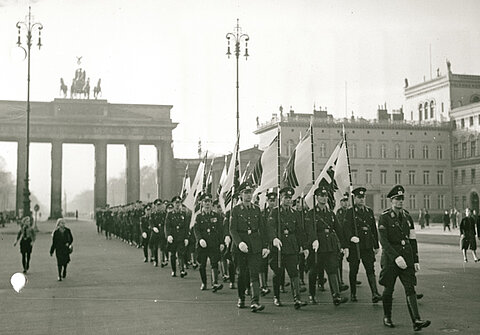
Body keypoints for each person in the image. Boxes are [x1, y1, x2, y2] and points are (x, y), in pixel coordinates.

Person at [378, 185, 430, 331]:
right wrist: (395, 257)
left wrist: (415, 259)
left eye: (402, 199)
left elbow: (412, 239)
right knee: (389, 289)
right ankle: (387, 317)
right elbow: (384, 242)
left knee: (410, 288)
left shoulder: (407, 217)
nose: (400, 201)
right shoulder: (385, 217)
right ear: (391, 201)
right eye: (397, 199)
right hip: (391, 259)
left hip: (406, 257)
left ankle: (416, 320)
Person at [306, 180, 349, 306]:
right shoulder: (311, 213)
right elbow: (310, 229)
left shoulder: (330, 213)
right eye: (321, 196)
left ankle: (336, 296)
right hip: (317, 246)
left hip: (330, 246)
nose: (324, 198)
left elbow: (338, 229)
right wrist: (314, 240)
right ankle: (312, 295)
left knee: (332, 270)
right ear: (317, 198)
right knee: (314, 271)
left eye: (325, 196)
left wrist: (344, 245)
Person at [230, 181, 270, 312]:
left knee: (254, 273)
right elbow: (232, 230)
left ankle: (255, 301)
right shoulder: (235, 210)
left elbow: (262, 229)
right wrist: (239, 243)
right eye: (246, 193)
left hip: (254, 245)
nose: (248, 195)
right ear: (240, 195)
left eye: (250, 192)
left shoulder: (256, 209)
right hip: (240, 246)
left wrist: (265, 246)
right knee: (242, 274)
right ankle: (241, 298)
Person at [267, 186, 308, 309]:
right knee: (278, 273)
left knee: (294, 272)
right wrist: (274, 238)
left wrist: (304, 246)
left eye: (290, 198)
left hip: (291, 246)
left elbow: (300, 231)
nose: (289, 200)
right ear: (281, 198)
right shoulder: (275, 212)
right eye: (286, 197)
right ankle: (277, 297)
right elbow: (270, 227)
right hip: (278, 247)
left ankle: (297, 298)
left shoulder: (294, 213)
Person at [344, 187, 382, 303]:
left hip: (367, 245)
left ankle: (375, 293)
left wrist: (376, 245)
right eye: (359, 197)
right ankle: (353, 293)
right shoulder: (350, 212)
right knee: (354, 270)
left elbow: (373, 230)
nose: (362, 199)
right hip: (355, 246)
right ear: (354, 198)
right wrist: (351, 237)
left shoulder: (369, 211)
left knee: (370, 269)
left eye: (363, 197)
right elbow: (346, 228)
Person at [194, 193, 225, 291]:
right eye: (205, 202)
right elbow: (196, 230)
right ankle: (204, 282)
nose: (207, 204)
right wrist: (200, 239)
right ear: (202, 203)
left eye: (209, 202)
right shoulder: (198, 216)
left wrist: (221, 243)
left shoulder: (216, 215)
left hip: (213, 243)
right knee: (202, 265)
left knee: (214, 263)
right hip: (203, 244)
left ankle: (215, 283)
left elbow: (220, 230)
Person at [165, 196, 190, 278]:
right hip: (173, 237)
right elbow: (167, 226)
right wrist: (168, 235)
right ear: (173, 204)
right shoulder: (169, 214)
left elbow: (186, 227)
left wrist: (186, 237)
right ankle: (173, 270)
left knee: (181, 254)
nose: (177, 205)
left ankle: (182, 270)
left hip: (181, 237)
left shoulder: (183, 214)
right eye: (176, 203)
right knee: (172, 255)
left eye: (179, 203)